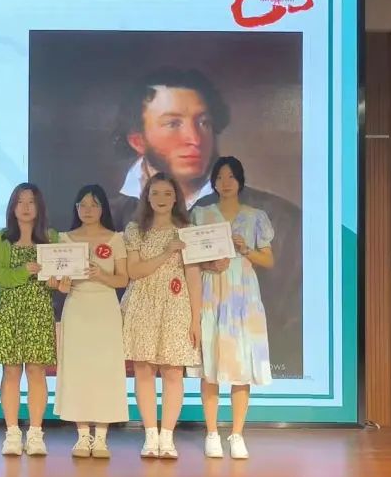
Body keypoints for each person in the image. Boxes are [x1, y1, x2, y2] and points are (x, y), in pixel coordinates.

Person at [108, 66, 303, 379]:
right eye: (173, 123)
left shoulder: (279, 219)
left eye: (204, 122)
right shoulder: (110, 216)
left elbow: (295, 324)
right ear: (137, 140)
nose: (194, 138)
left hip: (229, 362)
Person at [193, 156, 274, 460]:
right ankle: (212, 432)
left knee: (242, 366)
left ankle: (237, 434)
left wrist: (246, 249)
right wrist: (209, 263)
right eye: (219, 177)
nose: (225, 183)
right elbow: (190, 257)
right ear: (213, 182)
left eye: (231, 177)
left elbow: (268, 260)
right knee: (210, 366)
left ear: (240, 181)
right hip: (211, 290)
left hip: (243, 294)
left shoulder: (255, 217)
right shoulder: (201, 214)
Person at [121, 172, 202, 459]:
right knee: (144, 371)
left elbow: (193, 277)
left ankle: (167, 437)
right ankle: (150, 435)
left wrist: (196, 319)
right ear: (147, 197)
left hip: (176, 305)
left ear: (176, 197)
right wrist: (167, 252)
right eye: (155, 193)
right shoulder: (135, 230)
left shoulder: (187, 230)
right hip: (142, 303)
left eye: (168, 193)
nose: (161, 199)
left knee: (173, 372)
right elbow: (134, 271)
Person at [52, 184, 129, 459]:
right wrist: (60, 283)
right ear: (76, 209)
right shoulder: (64, 239)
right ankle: (83, 435)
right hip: (76, 308)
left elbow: (123, 279)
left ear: (103, 208)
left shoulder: (116, 238)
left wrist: (101, 275)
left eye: (94, 205)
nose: (87, 210)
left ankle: (102, 437)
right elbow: (56, 282)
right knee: (78, 370)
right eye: (82, 205)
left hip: (106, 309)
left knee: (105, 370)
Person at [0, 183, 57, 457]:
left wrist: (57, 281)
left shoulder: (51, 237)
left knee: (36, 371)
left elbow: (58, 274)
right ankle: (12, 432)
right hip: (9, 310)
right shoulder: (2, 237)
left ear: (39, 206)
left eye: (31, 202)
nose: (26, 207)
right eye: (20, 202)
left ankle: (36, 432)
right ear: (12, 207)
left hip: (38, 309)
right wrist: (23, 271)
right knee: (11, 371)